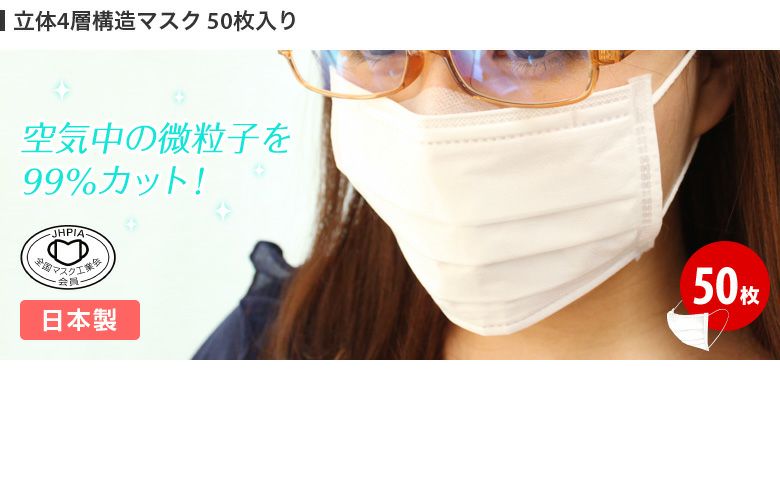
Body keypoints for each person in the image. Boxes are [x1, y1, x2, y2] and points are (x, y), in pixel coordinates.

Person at [194, 50, 779, 360]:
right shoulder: (272, 347)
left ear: (714, 71)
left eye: (530, 48)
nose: (432, 117)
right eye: (378, 43)